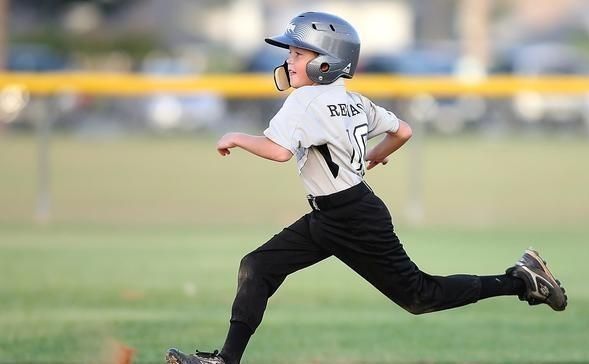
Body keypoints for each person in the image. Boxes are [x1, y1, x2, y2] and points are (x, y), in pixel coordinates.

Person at [165, 12, 567, 364]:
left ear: (326, 62)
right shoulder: (353, 99)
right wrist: (373, 156)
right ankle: (226, 360)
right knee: (259, 266)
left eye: (298, 54)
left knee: (420, 296)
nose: (288, 60)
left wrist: (235, 136)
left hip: (352, 218)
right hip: (336, 212)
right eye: (290, 52)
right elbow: (403, 130)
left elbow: (278, 152)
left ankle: (522, 281)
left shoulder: (304, 102)